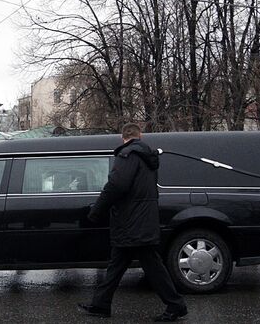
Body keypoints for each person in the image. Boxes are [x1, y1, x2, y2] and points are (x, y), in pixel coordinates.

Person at [78, 123, 187, 322]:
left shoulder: (127, 156)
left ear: (123, 138)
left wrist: (97, 210)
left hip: (131, 222)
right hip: (140, 220)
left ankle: (176, 305)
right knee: (117, 264)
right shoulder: (148, 158)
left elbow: (116, 185)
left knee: (152, 267)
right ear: (140, 136)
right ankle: (101, 304)